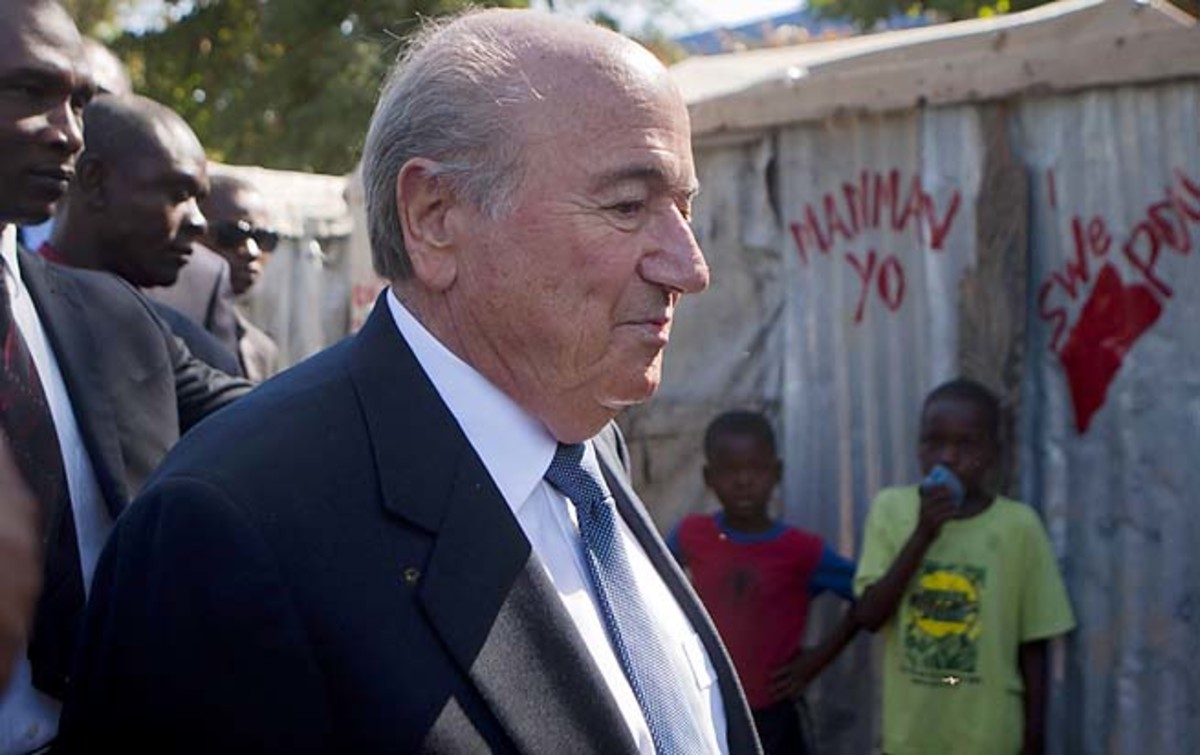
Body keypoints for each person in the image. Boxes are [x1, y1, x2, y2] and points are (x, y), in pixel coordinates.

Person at [59, 9, 761, 755]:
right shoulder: (226, 531)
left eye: (684, 208)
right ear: (434, 217)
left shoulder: (582, 451)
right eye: (628, 206)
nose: (690, 266)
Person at [0, 2, 251, 750]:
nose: (68, 131)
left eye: (76, 101)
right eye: (28, 92)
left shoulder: (116, 319)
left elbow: (281, 426)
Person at [852, 378, 1076, 755]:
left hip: (989, 739)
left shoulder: (1019, 526)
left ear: (993, 454)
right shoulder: (892, 510)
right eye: (933, 442)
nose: (947, 457)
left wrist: (1034, 740)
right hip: (911, 739)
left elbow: (1033, 647)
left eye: (965, 444)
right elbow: (870, 616)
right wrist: (923, 534)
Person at [669, 411, 856, 755]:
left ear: (777, 473)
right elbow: (650, 584)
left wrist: (817, 659)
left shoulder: (801, 549)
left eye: (756, 469)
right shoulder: (692, 534)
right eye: (730, 470)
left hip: (775, 715)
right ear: (709, 477)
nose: (743, 481)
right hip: (709, 704)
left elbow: (867, 596)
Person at [43, 93, 244, 376]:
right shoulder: (19, 318)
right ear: (95, 180)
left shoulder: (199, 355)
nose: (199, 223)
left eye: (199, 199)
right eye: (177, 195)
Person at [198, 173, 281, 381]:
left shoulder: (262, 351)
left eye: (264, 239)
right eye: (232, 235)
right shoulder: (156, 329)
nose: (252, 251)